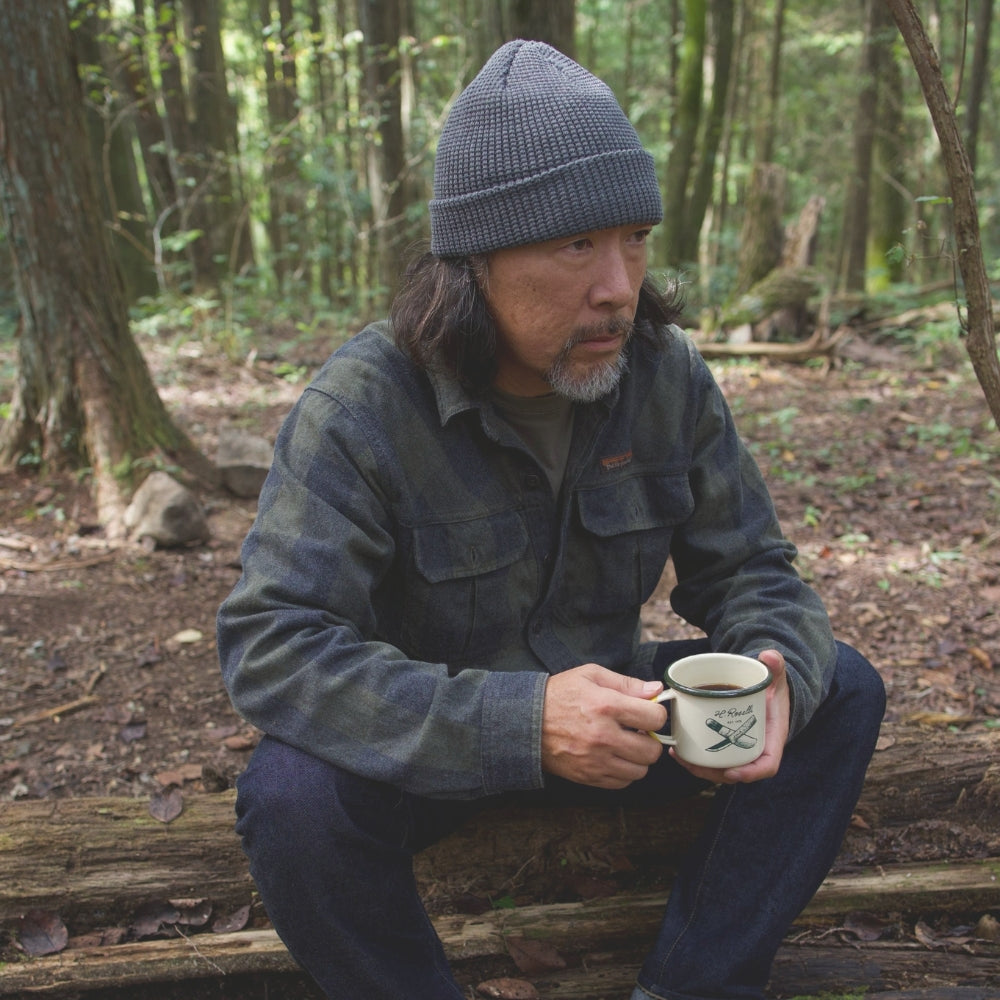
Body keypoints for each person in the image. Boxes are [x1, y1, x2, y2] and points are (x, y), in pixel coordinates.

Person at [217, 39, 885, 1000]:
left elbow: (752, 571)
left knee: (838, 686)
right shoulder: (364, 408)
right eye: (577, 245)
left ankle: (690, 985)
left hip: (619, 728)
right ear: (474, 261)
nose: (618, 284)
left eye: (635, 238)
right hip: (431, 752)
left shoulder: (663, 376)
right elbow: (272, 644)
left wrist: (773, 674)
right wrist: (520, 723)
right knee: (292, 797)